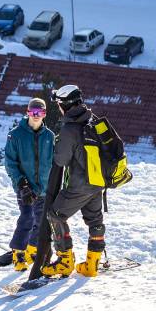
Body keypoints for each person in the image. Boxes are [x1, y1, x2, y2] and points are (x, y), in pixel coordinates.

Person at [41, 84, 105, 278]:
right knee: (95, 220)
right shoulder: (92, 120)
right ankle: (92, 263)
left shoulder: (70, 129)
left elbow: (60, 160)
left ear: (64, 105)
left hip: (79, 185)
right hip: (98, 182)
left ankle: (65, 261)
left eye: (59, 103)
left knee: (55, 215)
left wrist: (58, 144)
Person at [4, 97, 55, 271]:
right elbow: (10, 163)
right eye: (33, 112)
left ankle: (32, 250)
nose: (36, 115)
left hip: (43, 188)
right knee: (27, 218)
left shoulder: (49, 136)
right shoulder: (16, 134)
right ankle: (17, 253)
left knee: (41, 221)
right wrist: (22, 184)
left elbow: (54, 162)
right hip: (24, 187)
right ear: (27, 113)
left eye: (40, 112)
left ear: (44, 114)